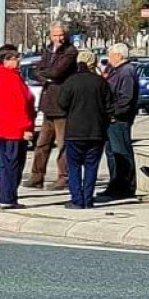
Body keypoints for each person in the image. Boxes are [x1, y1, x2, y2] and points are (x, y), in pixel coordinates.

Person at [58, 50, 115, 209]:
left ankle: (77, 199)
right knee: (91, 166)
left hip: (75, 131)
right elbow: (109, 106)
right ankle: (88, 199)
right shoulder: (100, 82)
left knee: (74, 166)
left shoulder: (71, 82)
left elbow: (62, 104)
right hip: (96, 131)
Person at [24, 22, 78, 190]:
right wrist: (46, 76)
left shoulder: (70, 51)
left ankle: (64, 176)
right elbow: (36, 71)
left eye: (61, 35)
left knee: (62, 144)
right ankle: (37, 176)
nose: (58, 38)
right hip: (47, 104)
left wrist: (47, 74)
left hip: (62, 105)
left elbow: (57, 73)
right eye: (55, 35)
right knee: (42, 143)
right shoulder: (47, 50)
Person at [0, 45, 36, 210]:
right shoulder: (11, 78)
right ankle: (8, 197)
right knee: (13, 164)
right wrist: (27, 127)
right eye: (14, 58)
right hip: (14, 129)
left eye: (17, 57)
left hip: (2, 127)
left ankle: (3, 194)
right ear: (5, 60)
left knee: (5, 164)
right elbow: (19, 105)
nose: (18, 61)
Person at [101, 43, 139, 199]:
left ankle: (126, 187)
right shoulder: (115, 71)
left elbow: (126, 98)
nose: (109, 58)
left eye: (111, 55)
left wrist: (112, 112)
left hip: (119, 119)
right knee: (112, 153)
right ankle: (115, 184)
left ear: (119, 56)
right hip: (111, 119)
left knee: (121, 152)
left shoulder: (126, 72)